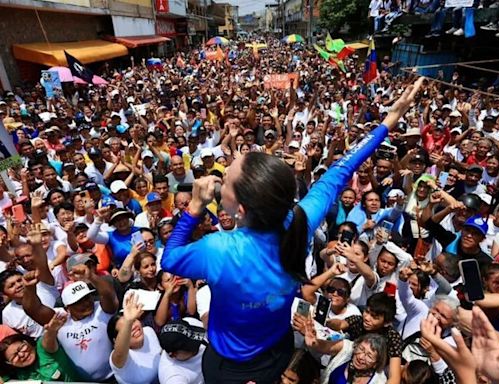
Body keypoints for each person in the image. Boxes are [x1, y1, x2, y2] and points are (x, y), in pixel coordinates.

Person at [161, 78, 426, 382]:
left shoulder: (218, 248)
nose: (223, 172)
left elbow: (170, 259)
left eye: (226, 179)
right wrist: (388, 121)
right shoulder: (299, 220)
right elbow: (342, 169)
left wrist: (194, 207)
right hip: (277, 353)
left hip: (228, 365)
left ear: (240, 210)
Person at [0, 313, 82, 382]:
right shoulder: (15, 374)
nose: (21, 354)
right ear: (9, 363)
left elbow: (47, 341)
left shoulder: (43, 349)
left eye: (21, 348)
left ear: (26, 342)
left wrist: (51, 331)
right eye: (15, 356)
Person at [107, 293, 161, 384]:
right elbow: (120, 353)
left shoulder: (148, 331)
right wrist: (128, 321)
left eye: (134, 320)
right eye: (126, 328)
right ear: (115, 340)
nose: (133, 326)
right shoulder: (118, 359)